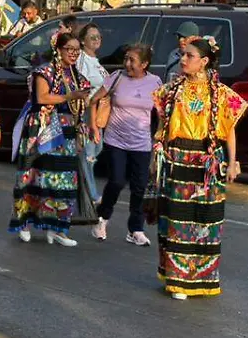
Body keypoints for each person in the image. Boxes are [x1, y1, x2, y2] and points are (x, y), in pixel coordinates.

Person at [152, 35, 246, 300]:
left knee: (206, 219)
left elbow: (229, 131)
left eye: (189, 56)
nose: (183, 59)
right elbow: (162, 126)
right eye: (183, 55)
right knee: (178, 217)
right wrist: (155, 154)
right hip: (178, 157)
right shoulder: (172, 89)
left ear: (204, 62)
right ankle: (177, 279)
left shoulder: (221, 94)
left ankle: (203, 277)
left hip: (208, 161)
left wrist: (232, 162)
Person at [9, 31, 89, 247]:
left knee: (63, 179)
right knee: (33, 174)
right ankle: (24, 222)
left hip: (66, 131)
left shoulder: (76, 76)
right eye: (69, 49)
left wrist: (81, 131)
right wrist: (69, 96)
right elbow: (42, 97)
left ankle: (57, 228)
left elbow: (81, 105)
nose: (73, 54)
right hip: (41, 127)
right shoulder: (44, 72)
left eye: (76, 50)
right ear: (58, 49)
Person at [91, 44, 161, 245]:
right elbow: (94, 99)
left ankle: (135, 229)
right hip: (116, 141)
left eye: (132, 60)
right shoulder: (117, 77)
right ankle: (102, 219)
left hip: (141, 143)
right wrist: (94, 127)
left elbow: (161, 110)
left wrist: (159, 134)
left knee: (139, 187)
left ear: (145, 64)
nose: (127, 64)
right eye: (126, 59)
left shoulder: (155, 82)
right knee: (117, 181)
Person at [76, 23, 107, 211]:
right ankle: (92, 194)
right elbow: (83, 88)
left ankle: (84, 188)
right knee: (88, 154)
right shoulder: (82, 60)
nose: (97, 40)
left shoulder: (96, 61)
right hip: (88, 112)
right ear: (82, 40)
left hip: (100, 113)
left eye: (99, 37)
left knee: (94, 151)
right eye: (92, 37)